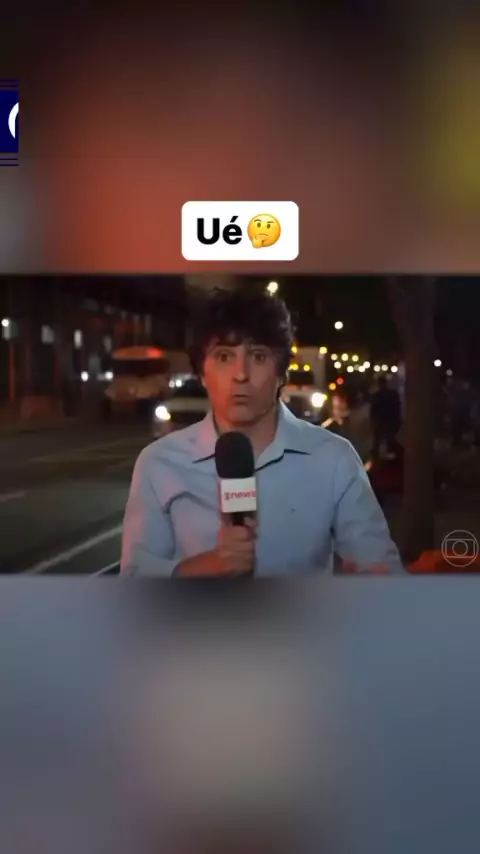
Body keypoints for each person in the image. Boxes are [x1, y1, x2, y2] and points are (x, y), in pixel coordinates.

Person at [121, 290, 404, 576]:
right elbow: (135, 580)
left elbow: (380, 567)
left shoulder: (334, 459)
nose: (240, 374)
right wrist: (209, 566)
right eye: (224, 357)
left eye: (258, 357)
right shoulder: (158, 462)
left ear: (281, 374)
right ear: (202, 374)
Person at [370, 376, 402, 460]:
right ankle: (389, 456)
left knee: (383, 439)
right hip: (387, 421)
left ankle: (378, 455)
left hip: (385, 421)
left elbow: (373, 411)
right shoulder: (391, 394)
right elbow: (397, 407)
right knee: (387, 439)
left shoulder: (378, 395)